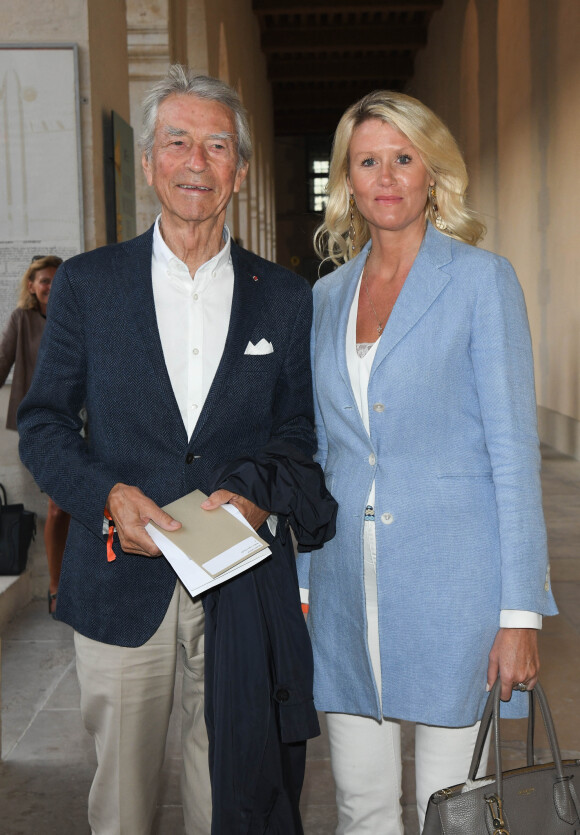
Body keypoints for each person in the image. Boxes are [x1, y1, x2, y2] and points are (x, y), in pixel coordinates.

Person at [18, 65, 319, 835]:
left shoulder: (283, 297)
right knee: (122, 804)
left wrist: (255, 498)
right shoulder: (88, 284)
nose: (196, 161)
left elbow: (297, 435)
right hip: (122, 581)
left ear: (240, 170)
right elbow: (45, 420)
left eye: (216, 145)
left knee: (231, 794)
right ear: (150, 161)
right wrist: (107, 498)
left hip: (236, 587)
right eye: (177, 142)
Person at [296, 90, 558, 834]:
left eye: (403, 158)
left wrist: (520, 613)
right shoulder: (324, 298)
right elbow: (317, 448)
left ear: (432, 174)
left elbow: (513, 454)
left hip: (458, 595)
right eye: (368, 161)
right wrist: (307, 581)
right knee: (360, 803)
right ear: (347, 181)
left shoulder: (481, 280)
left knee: (455, 809)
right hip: (347, 591)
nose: (386, 176)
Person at [0, 255, 70, 613]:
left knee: (82, 505)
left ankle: (78, 582)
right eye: (45, 280)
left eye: (58, 280)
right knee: (58, 507)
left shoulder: (75, 317)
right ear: (31, 285)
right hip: (41, 428)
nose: (51, 287)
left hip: (82, 422)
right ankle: (57, 587)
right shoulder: (21, 320)